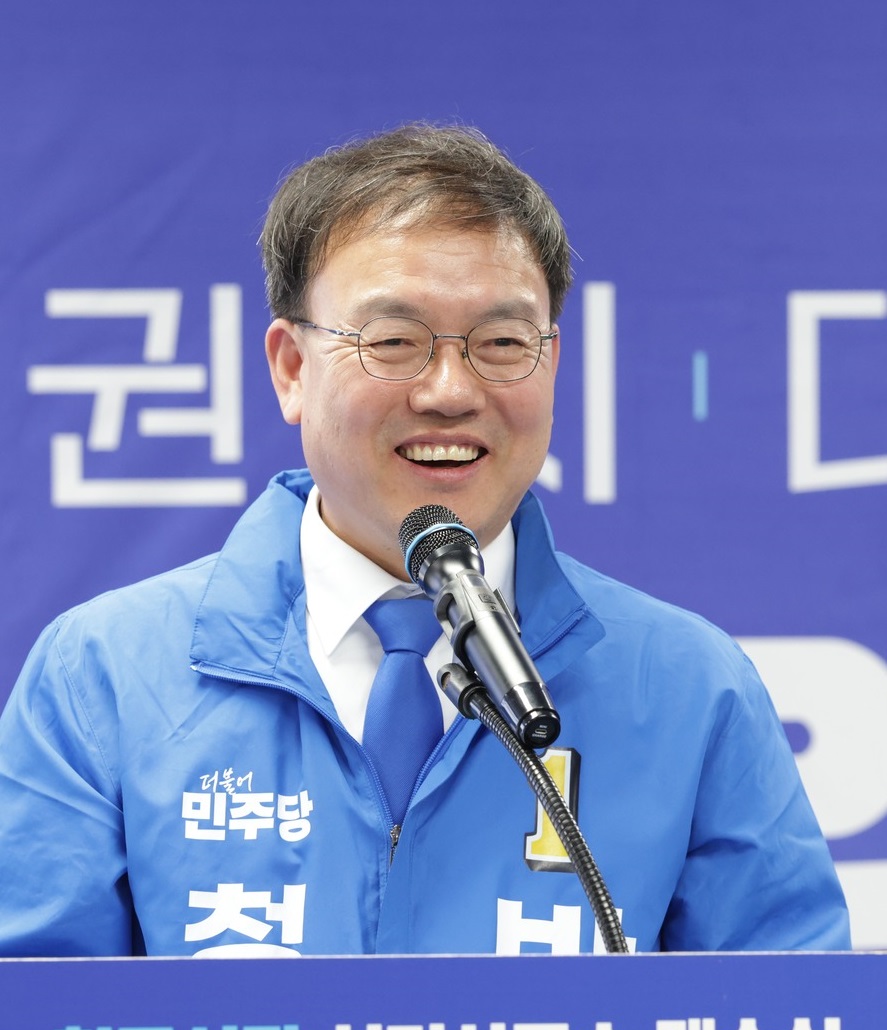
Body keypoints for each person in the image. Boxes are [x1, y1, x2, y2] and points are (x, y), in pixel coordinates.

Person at [0, 124, 850, 957]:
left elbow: (784, 1024)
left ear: (551, 363)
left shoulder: (688, 685)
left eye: (502, 343)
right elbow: (33, 1026)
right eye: (394, 342)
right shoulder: (106, 673)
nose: (449, 391)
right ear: (291, 368)